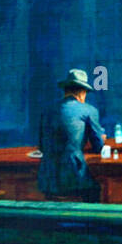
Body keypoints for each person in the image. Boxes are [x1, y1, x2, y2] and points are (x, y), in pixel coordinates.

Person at [38, 68, 106, 201]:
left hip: (48, 178)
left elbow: (42, 146)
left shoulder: (48, 111)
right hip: (73, 178)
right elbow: (99, 147)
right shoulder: (89, 110)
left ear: (65, 90)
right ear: (82, 92)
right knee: (97, 191)